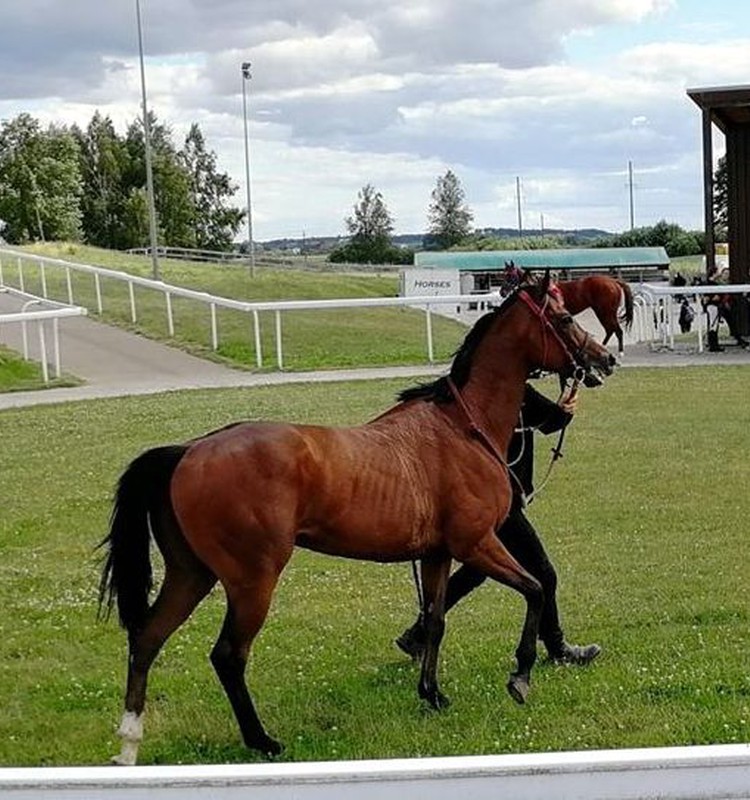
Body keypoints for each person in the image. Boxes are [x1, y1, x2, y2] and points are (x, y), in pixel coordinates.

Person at [395, 382, 601, 666]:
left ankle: (417, 634)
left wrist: (564, 409)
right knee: (543, 573)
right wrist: (564, 411)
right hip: (499, 505)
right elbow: (549, 422)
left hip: (490, 500)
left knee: (476, 572)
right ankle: (557, 649)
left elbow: (548, 422)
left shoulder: (500, 391)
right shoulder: (501, 393)